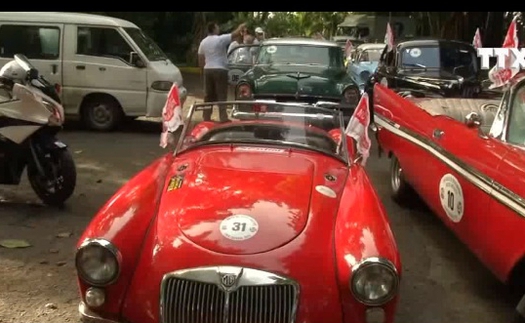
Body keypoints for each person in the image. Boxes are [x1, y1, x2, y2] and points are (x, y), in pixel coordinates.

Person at [198, 21, 246, 122]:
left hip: (208, 69)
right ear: (214, 29)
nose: (218, 29)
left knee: (208, 95)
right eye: (217, 27)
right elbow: (235, 34)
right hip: (220, 69)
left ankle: (206, 117)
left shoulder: (203, 42)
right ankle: (223, 117)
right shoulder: (220, 39)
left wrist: (202, 71)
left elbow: (200, 58)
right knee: (221, 94)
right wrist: (241, 26)